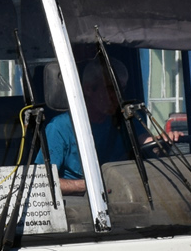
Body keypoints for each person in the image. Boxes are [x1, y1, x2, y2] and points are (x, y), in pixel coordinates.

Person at [38, 58, 149, 195]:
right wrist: (90, 185)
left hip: (125, 198)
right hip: (80, 206)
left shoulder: (128, 119)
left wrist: (164, 142)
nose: (118, 97)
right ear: (88, 89)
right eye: (111, 89)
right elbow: (42, 182)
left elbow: (146, 143)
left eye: (122, 89)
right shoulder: (60, 128)